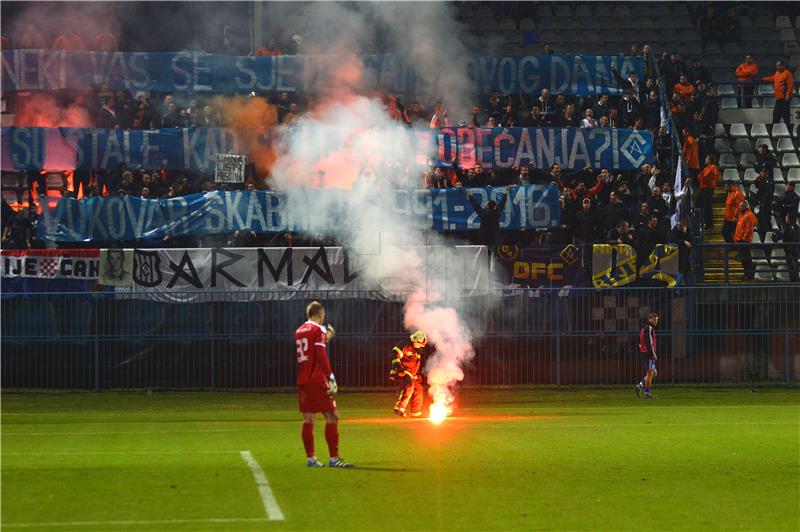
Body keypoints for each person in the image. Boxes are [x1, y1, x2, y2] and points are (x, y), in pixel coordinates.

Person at [294, 301, 353, 468]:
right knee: (332, 417)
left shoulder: (299, 331)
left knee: (308, 419)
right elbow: (320, 354)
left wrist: (326, 339)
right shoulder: (318, 329)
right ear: (320, 315)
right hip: (317, 380)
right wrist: (330, 376)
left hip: (303, 380)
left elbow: (311, 350)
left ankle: (311, 458)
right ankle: (334, 458)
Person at [389, 330, 431, 417]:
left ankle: (416, 413)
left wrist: (417, 374)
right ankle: (399, 408)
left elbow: (415, 364)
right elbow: (394, 355)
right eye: (419, 344)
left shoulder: (417, 350)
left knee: (418, 389)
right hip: (401, 371)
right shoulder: (404, 345)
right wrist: (399, 368)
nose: (421, 346)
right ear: (414, 340)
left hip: (412, 374)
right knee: (409, 385)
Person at [466, 185, 510, 254]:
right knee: (494, 253)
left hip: (484, 237)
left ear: (487, 206)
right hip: (494, 236)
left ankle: (485, 262)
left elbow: (476, 205)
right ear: (494, 207)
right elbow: (502, 202)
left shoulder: (483, 213)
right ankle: (493, 261)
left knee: (485, 252)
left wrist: (470, 196)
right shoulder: (497, 212)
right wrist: (506, 192)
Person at [761, 61, 795, 127]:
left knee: (785, 116)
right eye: (776, 65)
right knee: (776, 115)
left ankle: (788, 131)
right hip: (778, 98)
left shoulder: (787, 73)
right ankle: (774, 130)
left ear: (783, 65)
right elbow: (772, 78)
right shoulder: (777, 73)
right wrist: (763, 79)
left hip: (785, 98)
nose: (777, 67)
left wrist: (788, 95)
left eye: (778, 65)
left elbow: (790, 85)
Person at [635, 313, 659, 399]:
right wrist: (652, 353)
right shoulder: (649, 328)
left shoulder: (644, 329)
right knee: (650, 374)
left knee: (654, 373)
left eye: (657, 320)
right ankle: (647, 393)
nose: (656, 321)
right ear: (650, 319)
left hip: (647, 353)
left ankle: (640, 385)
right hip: (649, 354)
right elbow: (649, 342)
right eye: (654, 320)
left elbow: (641, 342)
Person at [773, 213, 799, 282]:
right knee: (794, 265)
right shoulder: (797, 226)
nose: (785, 219)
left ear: (788, 219)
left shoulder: (786, 227)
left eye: (786, 217)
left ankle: (795, 282)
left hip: (789, 250)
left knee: (792, 267)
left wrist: (775, 234)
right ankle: (795, 282)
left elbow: (779, 236)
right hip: (796, 250)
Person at [734, 200, 757, 280]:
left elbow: (749, 229)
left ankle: (749, 275)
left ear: (744, 206)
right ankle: (747, 274)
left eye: (740, 206)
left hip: (744, 241)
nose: (739, 207)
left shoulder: (749, 215)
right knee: (744, 259)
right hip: (740, 240)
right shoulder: (742, 214)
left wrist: (744, 239)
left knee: (746, 259)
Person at [697, 155, 720, 230]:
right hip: (703, 188)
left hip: (708, 189)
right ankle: (703, 221)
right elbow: (700, 177)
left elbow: (713, 177)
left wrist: (705, 178)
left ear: (709, 160)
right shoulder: (706, 168)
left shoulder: (713, 167)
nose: (705, 159)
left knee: (707, 206)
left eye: (706, 158)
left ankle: (709, 223)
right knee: (700, 204)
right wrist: (703, 177)